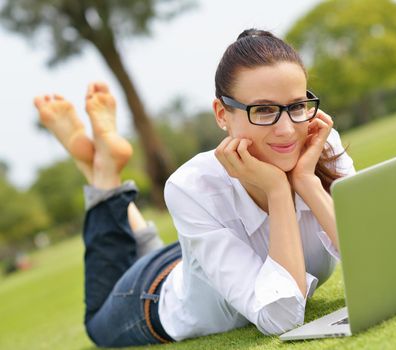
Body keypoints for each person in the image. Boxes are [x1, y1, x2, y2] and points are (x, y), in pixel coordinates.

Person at [34, 28, 356, 347]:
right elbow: (282, 318)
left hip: (202, 256)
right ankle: (103, 173)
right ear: (222, 114)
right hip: (155, 293)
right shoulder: (191, 186)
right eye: (264, 110)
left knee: (173, 254)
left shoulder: (319, 146)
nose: (287, 130)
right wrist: (277, 191)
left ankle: (100, 170)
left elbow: (375, 256)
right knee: (97, 324)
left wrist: (306, 182)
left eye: (297, 106)